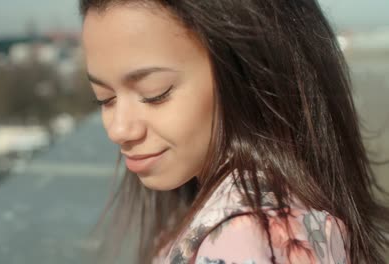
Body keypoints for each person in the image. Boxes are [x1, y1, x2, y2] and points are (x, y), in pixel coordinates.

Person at [79, 0, 389, 263]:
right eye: (104, 99)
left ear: (247, 72)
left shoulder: (244, 239)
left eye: (154, 93)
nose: (118, 129)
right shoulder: (271, 217)